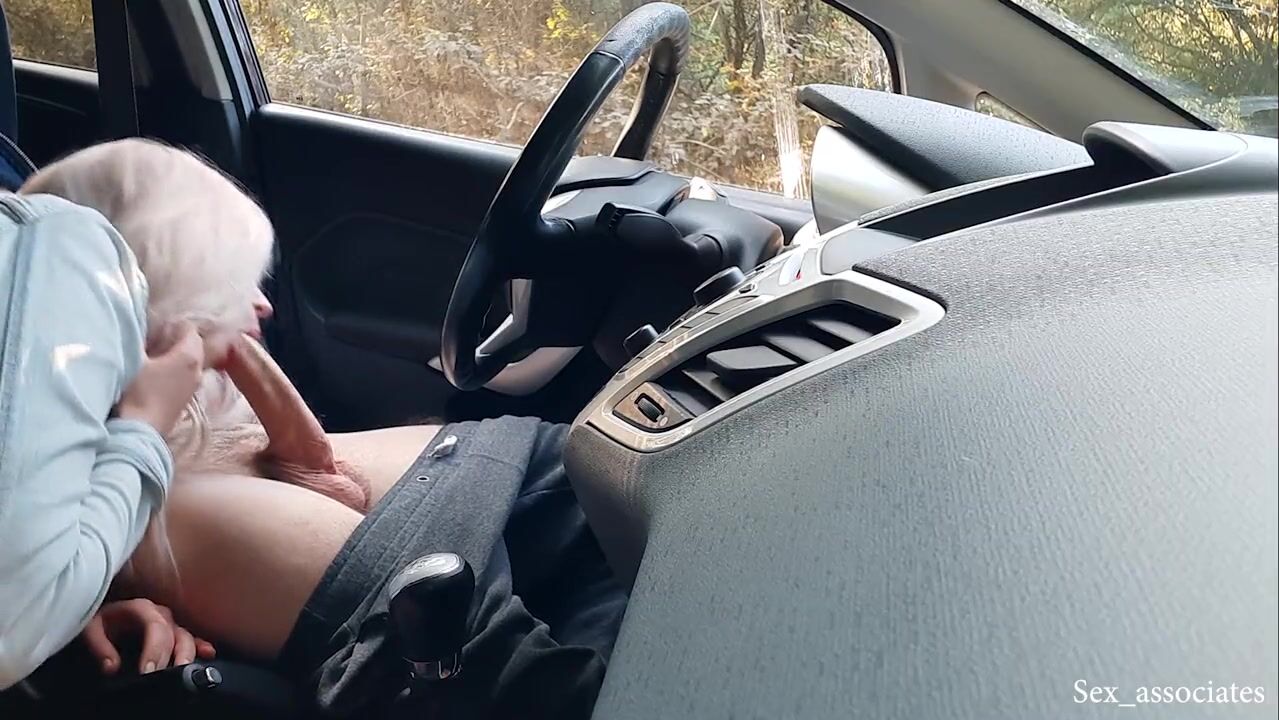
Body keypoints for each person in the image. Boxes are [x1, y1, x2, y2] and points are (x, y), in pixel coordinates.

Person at [16, 140, 627, 719]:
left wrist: (224, 338)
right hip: (457, 594)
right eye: (227, 286)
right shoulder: (155, 501)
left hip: (532, 482)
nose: (264, 306)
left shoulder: (187, 406)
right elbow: (528, 687)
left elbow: (319, 467)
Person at [0, 189, 209, 689]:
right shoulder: (50, 239)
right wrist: (145, 425)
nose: (264, 305)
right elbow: (10, 623)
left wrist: (71, 613)